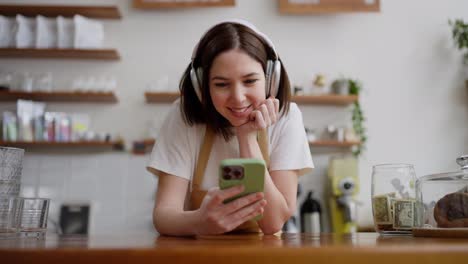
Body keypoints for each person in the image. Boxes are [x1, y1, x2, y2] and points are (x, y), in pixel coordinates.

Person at [147, 19, 313, 236]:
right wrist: (199, 221)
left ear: (271, 80)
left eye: (250, 81)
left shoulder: (287, 118)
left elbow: (273, 223)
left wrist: (248, 139)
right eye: (221, 84)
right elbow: (163, 215)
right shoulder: (182, 116)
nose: (238, 98)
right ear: (201, 87)